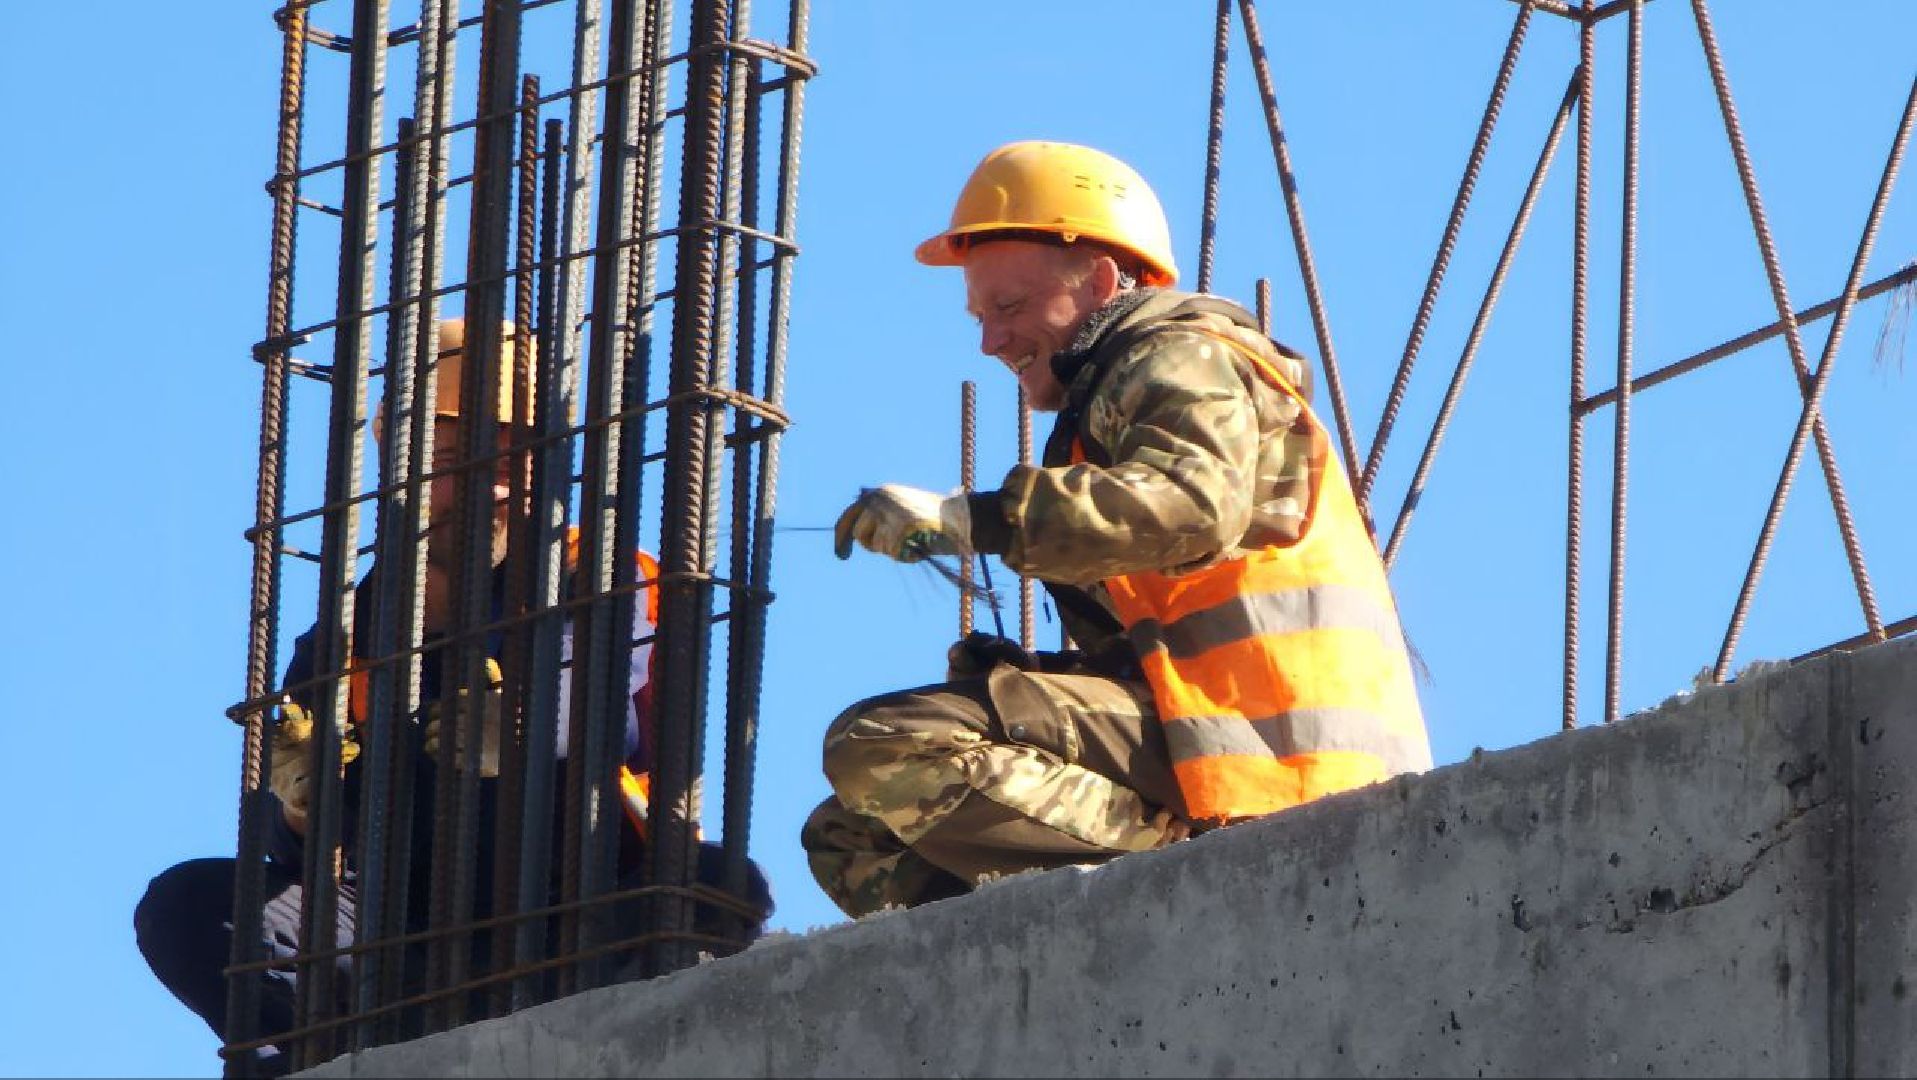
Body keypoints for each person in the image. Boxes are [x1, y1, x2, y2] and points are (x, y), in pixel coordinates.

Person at [808, 141, 1433, 917]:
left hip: (1278, 766)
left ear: (1101, 281)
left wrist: (969, 520)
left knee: (887, 747)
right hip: (1208, 737)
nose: (990, 340)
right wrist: (1032, 673)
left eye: (1008, 308)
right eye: (980, 316)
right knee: (858, 837)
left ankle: (1176, 869)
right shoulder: (1108, 400)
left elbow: (1191, 503)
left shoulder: (1178, 355)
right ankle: (1058, 967)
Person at [135, 319, 771, 1075]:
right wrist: (301, 809)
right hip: (398, 941)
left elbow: (596, 703)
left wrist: (527, 731)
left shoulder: (601, 576)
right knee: (190, 906)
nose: (482, 479)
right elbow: (299, 846)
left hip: (575, 917)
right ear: (398, 470)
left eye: (510, 454)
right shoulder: (350, 632)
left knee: (718, 888)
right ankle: (333, 1061)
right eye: (446, 457)